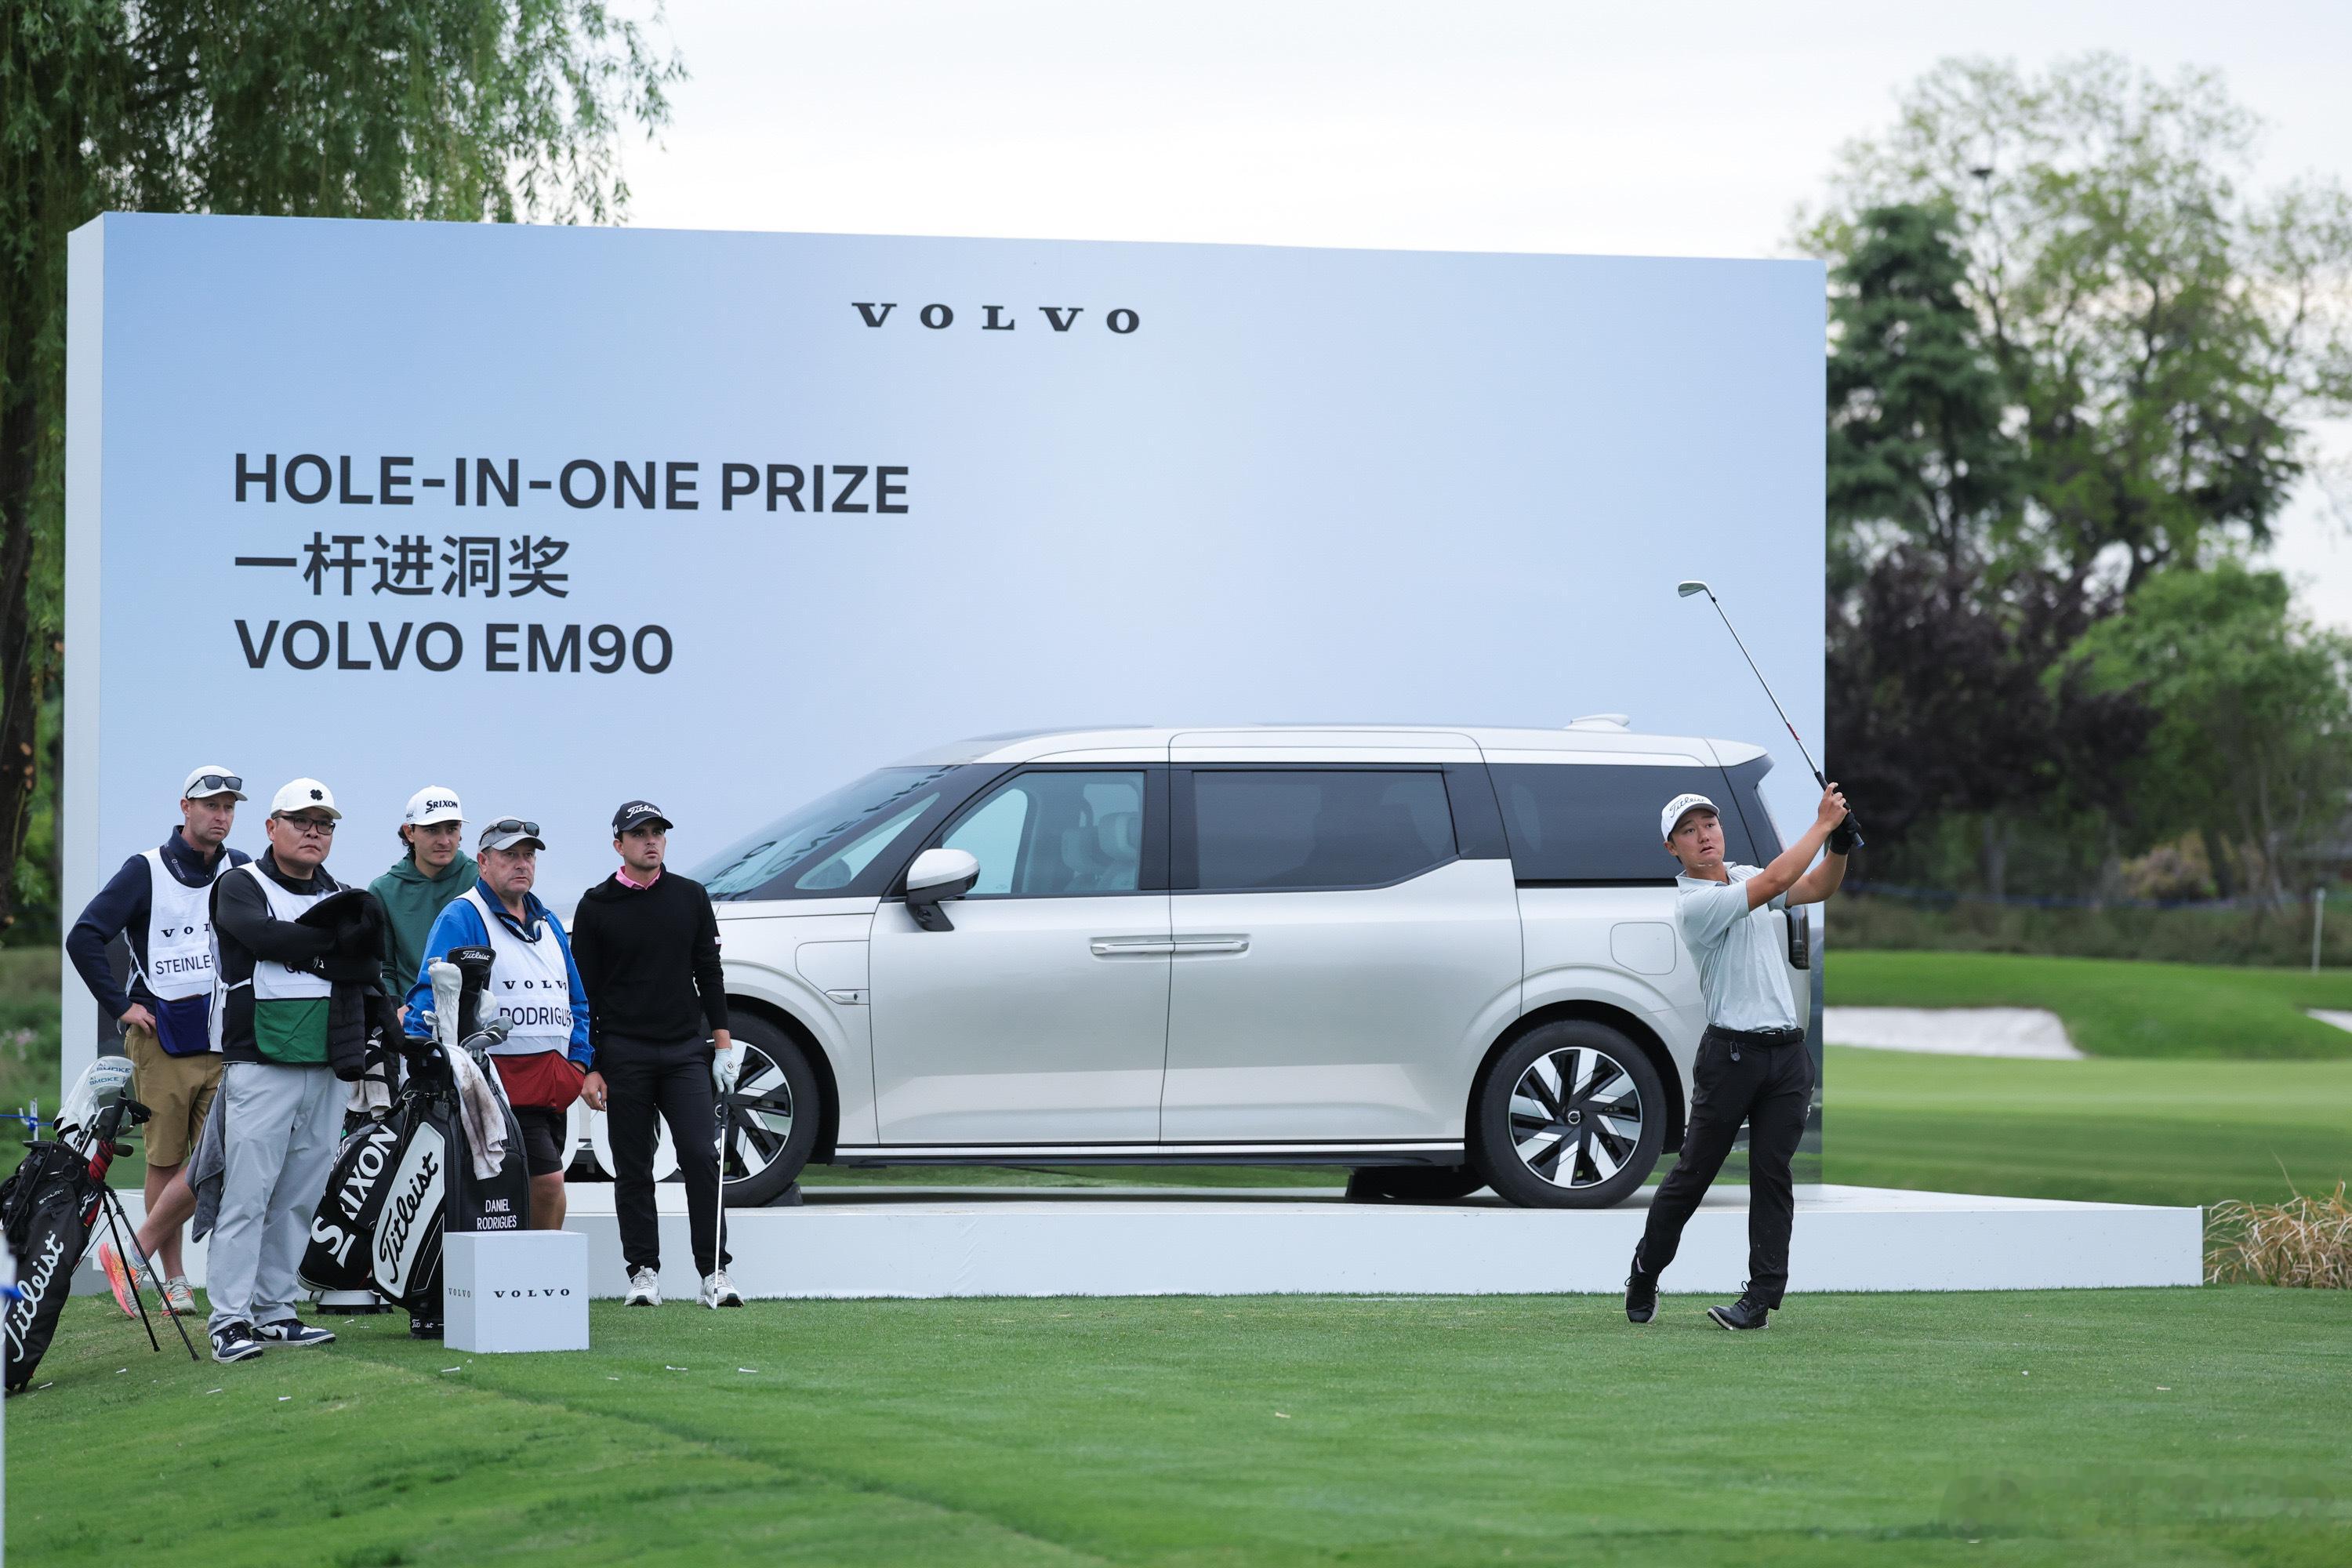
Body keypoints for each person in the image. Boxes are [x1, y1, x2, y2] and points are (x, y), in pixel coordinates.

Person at [1625, 782, 1851, 1331]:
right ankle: (1646, 1271)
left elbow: (1816, 885)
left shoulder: (1744, 875)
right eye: (1689, 831)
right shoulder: (1695, 904)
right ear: (1672, 848)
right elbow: (1777, 880)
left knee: (1772, 1175)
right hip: (1730, 1057)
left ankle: (1760, 1300)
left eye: (1710, 824)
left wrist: (1841, 845)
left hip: (1786, 1056)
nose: (1704, 835)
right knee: (1693, 1174)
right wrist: (1822, 824)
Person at [67, 766, 253, 1317]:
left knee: (222, 1159)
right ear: (185, 807)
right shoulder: (145, 869)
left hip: (226, 1038)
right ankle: (174, 1281)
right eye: (211, 805)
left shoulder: (242, 868)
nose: (221, 816)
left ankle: (137, 1253)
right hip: (163, 1038)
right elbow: (85, 936)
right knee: (167, 1161)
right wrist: (121, 1006)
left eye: (229, 808)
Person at [204, 779, 355, 1363]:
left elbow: (362, 957)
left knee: (299, 1195)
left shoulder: (339, 891)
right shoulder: (241, 882)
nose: (314, 831)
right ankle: (229, 1319)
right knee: (247, 1194)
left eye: (324, 823)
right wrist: (329, 944)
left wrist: (309, 946)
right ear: (272, 827)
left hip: (326, 1063)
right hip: (260, 1061)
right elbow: (261, 936)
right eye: (301, 820)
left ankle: (275, 1310)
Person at [571, 800, 742, 1309]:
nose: (651, 840)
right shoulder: (596, 905)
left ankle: (714, 1272)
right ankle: (643, 1271)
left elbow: (709, 972)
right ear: (618, 844)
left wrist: (723, 1043)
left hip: (685, 1050)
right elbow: (585, 993)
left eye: (658, 832)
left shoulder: (690, 896)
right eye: (640, 833)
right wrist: (591, 1065)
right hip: (623, 1052)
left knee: (700, 1155)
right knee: (633, 1165)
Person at [405, 817, 591, 1231]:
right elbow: (429, 991)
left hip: (549, 1087)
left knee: (525, 1189)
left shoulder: (548, 923)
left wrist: (577, 1063)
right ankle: (538, 1267)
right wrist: (420, 1058)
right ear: (483, 862)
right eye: (510, 856)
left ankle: (525, 1268)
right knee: (546, 1184)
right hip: (494, 1085)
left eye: (528, 856)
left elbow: (576, 999)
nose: (522, 864)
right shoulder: (463, 915)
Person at [371, 786, 477, 1023]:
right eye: (432, 830)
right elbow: (384, 966)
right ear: (409, 832)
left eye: (452, 829)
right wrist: (393, 1012)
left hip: (475, 1017)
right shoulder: (384, 890)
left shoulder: (481, 880)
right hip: (412, 1021)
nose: (444, 840)